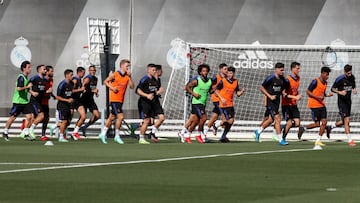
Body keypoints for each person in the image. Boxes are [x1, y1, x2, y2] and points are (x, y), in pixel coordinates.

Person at [98, 59, 134, 144]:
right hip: (114, 99)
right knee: (120, 117)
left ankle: (103, 133)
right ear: (122, 66)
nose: (128, 68)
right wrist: (112, 88)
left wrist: (130, 77)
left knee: (112, 118)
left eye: (129, 66)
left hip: (120, 100)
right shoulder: (115, 74)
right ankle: (117, 136)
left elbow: (132, 87)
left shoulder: (127, 76)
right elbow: (105, 81)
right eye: (127, 66)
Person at [178, 64, 213, 144]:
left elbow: (210, 91)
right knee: (204, 118)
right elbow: (187, 87)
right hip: (196, 102)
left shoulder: (209, 81)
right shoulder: (196, 80)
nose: (205, 72)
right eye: (203, 71)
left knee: (195, 120)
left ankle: (187, 134)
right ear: (200, 72)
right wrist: (194, 94)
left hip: (203, 103)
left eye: (206, 71)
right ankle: (199, 134)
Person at [299, 66, 333, 147]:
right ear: (322, 73)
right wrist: (317, 97)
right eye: (327, 75)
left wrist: (327, 95)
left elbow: (322, 93)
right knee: (317, 124)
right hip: (314, 105)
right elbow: (308, 91)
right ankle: (303, 128)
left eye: (328, 75)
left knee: (324, 122)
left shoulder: (325, 83)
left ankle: (318, 140)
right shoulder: (315, 81)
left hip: (321, 105)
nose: (328, 77)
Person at [254, 62, 286, 143]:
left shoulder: (282, 79)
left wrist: (283, 93)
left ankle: (258, 131)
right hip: (270, 102)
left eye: (283, 70)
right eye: (281, 70)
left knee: (271, 120)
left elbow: (282, 89)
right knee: (278, 119)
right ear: (276, 69)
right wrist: (270, 96)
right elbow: (262, 88)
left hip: (277, 102)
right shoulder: (270, 78)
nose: (282, 71)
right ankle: (280, 139)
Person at [2, 61, 33, 141]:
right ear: (24, 68)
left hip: (25, 102)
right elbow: (19, 88)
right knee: (13, 117)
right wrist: (27, 87)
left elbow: (26, 89)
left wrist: (32, 92)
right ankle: (5, 132)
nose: (30, 69)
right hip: (18, 101)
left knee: (29, 117)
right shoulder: (21, 77)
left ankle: (26, 134)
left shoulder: (26, 78)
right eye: (28, 67)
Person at [327, 64, 357, 147]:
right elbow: (332, 89)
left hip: (348, 102)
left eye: (350, 73)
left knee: (344, 121)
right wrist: (339, 92)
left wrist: (354, 89)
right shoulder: (340, 79)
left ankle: (330, 127)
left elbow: (353, 86)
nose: (349, 74)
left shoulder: (352, 77)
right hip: (342, 103)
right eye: (348, 73)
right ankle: (350, 140)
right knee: (347, 121)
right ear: (344, 72)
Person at [215, 66, 245, 142]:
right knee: (226, 121)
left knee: (231, 122)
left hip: (230, 104)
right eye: (228, 73)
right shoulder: (223, 81)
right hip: (223, 104)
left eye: (231, 73)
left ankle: (223, 136)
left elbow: (237, 93)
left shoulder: (235, 82)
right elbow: (216, 90)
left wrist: (241, 92)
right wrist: (221, 98)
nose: (229, 74)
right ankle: (216, 125)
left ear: (233, 73)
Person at [203, 63, 228, 138]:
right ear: (220, 69)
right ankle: (218, 129)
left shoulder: (227, 78)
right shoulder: (216, 77)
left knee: (214, 117)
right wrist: (215, 89)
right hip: (217, 100)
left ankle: (204, 132)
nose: (226, 71)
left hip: (223, 100)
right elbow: (211, 88)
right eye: (225, 69)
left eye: (227, 69)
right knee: (225, 118)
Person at [280, 62, 302, 145]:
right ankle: (282, 138)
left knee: (297, 123)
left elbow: (295, 90)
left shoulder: (298, 79)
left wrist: (298, 95)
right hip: (286, 105)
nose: (299, 70)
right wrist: (295, 97)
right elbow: (284, 94)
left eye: (299, 68)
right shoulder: (287, 80)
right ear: (292, 69)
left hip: (294, 104)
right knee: (289, 123)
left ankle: (284, 127)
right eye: (297, 68)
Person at [136, 64, 158, 144]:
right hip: (144, 103)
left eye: (155, 70)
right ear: (148, 70)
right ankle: (141, 138)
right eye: (153, 70)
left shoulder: (154, 80)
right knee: (146, 120)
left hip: (151, 104)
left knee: (151, 122)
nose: (154, 71)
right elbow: (138, 90)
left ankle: (136, 126)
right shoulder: (144, 79)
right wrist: (147, 95)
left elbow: (154, 91)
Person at [26, 65, 47, 139]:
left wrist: (48, 92)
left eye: (45, 69)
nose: (45, 70)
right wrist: (32, 93)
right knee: (41, 116)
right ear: (39, 70)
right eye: (44, 69)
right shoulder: (34, 78)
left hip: (39, 101)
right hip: (34, 101)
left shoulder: (45, 80)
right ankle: (31, 130)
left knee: (33, 119)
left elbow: (42, 91)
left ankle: (26, 133)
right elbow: (27, 88)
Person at [146, 64, 165, 143]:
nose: (162, 72)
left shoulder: (158, 80)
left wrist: (158, 93)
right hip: (150, 103)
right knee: (150, 121)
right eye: (161, 70)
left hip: (156, 102)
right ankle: (137, 126)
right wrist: (158, 92)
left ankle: (152, 132)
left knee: (162, 118)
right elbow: (151, 92)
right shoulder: (150, 80)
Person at [78, 65, 100, 135]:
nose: (93, 72)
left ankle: (84, 127)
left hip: (91, 100)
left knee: (97, 116)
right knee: (82, 117)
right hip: (84, 100)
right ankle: (76, 131)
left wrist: (96, 92)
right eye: (91, 70)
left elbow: (93, 89)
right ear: (89, 71)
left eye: (94, 70)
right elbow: (84, 86)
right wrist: (83, 87)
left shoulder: (95, 79)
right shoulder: (87, 78)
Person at [56, 69, 74, 142]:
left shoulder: (71, 84)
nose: (72, 76)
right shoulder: (62, 84)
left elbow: (70, 93)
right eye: (71, 75)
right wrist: (67, 100)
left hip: (68, 105)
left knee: (68, 122)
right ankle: (61, 137)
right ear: (66, 75)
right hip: (62, 105)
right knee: (64, 121)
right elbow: (58, 97)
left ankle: (54, 126)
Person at [39, 65, 55, 141]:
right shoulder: (43, 80)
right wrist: (47, 92)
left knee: (46, 118)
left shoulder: (51, 80)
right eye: (51, 71)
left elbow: (49, 90)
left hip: (46, 102)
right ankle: (27, 129)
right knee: (40, 117)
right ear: (47, 72)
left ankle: (43, 135)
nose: (53, 72)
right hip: (40, 102)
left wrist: (52, 95)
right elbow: (41, 92)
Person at [70, 66, 86, 140]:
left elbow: (79, 90)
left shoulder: (80, 80)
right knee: (68, 120)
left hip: (78, 101)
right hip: (72, 101)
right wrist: (80, 90)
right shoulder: (75, 80)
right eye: (83, 73)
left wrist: (82, 90)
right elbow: (71, 90)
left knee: (83, 116)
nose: (84, 74)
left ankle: (75, 132)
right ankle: (54, 126)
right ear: (79, 72)